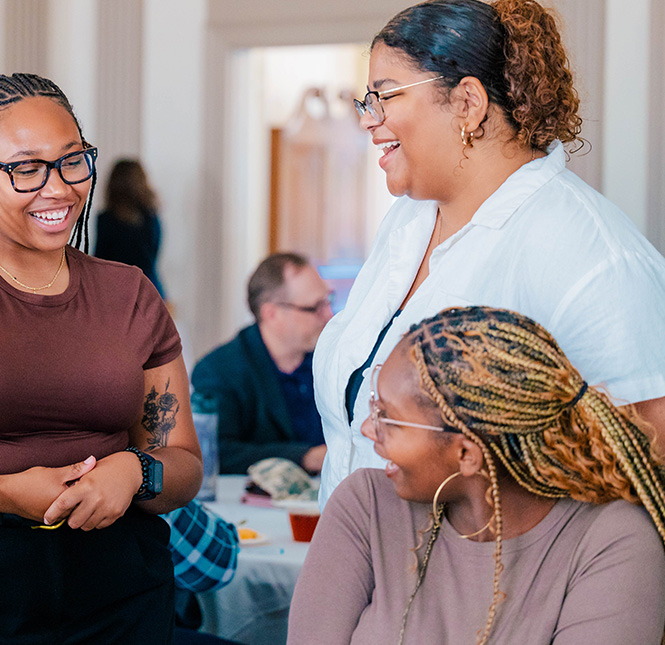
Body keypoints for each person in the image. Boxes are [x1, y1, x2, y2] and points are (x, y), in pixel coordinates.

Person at [314, 0, 665, 508]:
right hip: (358, 565)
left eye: (385, 96)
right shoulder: (407, 223)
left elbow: (644, 466)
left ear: (467, 103)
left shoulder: (594, 255)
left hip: (487, 578)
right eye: (368, 99)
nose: (369, 120)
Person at [0, 72, 203, 644]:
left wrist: (134, 470)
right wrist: (5, 492)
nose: (59, 188)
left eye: (73, 161)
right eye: (26, 168)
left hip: (122, 584)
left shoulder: (128, 293)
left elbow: (184, 462)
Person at [290, 306, 665, 644]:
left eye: (388, 418)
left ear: (467, 454)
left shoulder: (611, 542)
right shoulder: (365, 507)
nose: (369, 429)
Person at [192, 253, 331, 475]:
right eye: (315, 307)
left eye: (328, 302)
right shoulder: (219, 370)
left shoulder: (332, 360)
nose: (329, 315)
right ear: (271, 313)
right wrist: (306, 457)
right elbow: (217, 452)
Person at [94, 159, 166, 297]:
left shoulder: (106, 219)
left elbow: (100, 260)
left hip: (116, 290)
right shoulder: (151, 218)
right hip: (151, 288)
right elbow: (154, 255)